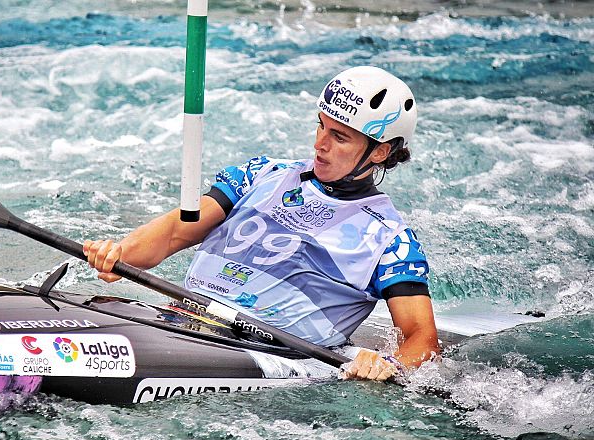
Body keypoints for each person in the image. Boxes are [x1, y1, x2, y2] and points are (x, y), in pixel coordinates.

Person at [84, 66, 440, 381]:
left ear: (379, 152)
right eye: (321, 126)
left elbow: (422, 340)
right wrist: (121, 253)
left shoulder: (390, 239)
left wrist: (388, 364)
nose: (320, 144)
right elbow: (177, 231)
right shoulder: (262, 174)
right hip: (181, 317)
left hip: (268, 356)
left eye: (340, 137)